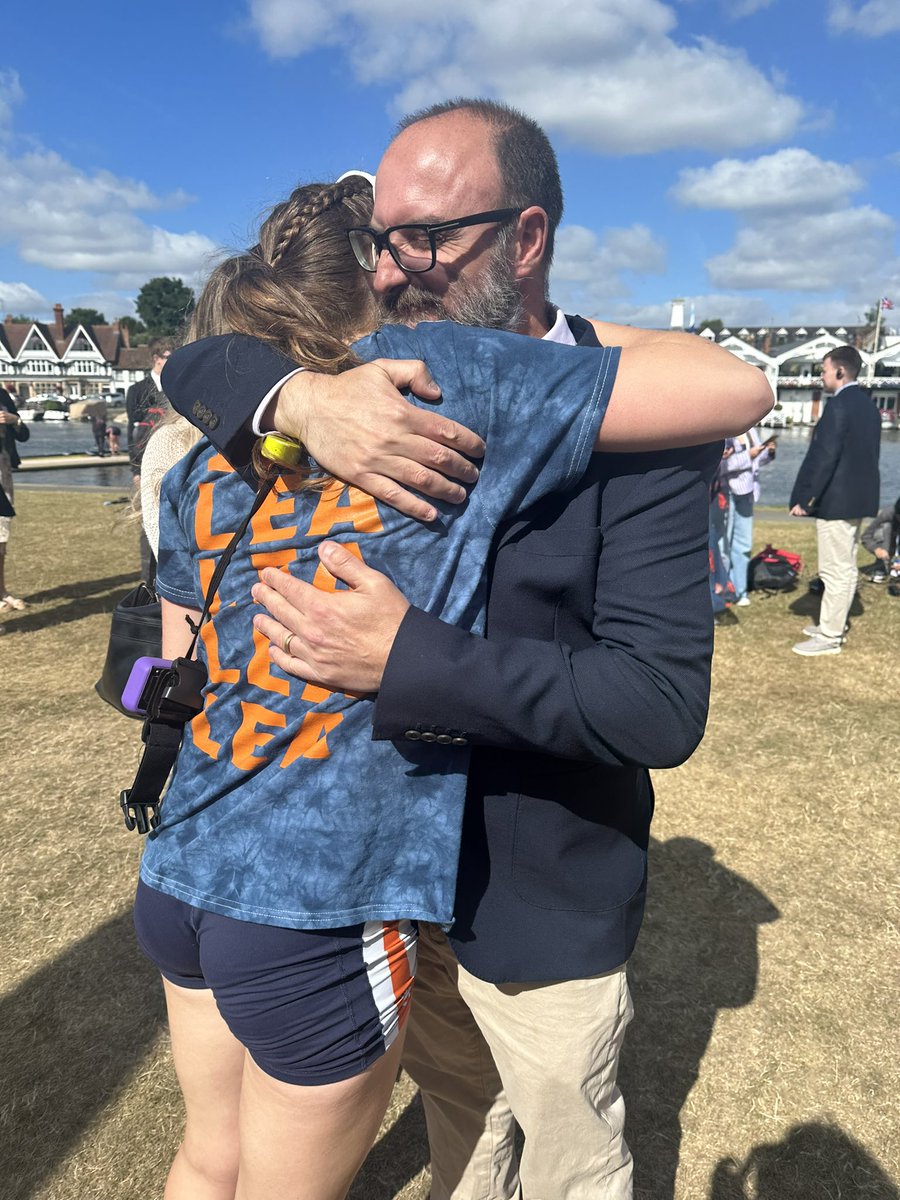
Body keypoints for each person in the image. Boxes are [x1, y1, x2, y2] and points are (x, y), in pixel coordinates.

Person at [162, 99, 773, 1199]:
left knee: (568, 1163)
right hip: (373, 889)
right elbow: (195, 361)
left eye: (429, 237)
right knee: (462, 1133)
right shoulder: (356, 392)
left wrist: (409, 659)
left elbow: (655, 705)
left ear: (527, 236)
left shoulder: (643, 425)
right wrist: (298, 395)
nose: (394, 268)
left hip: (530, 899)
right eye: (382, 239)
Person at [790, 345, 881, 657]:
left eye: (824, 370)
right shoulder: (868, 406)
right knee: (846, 565)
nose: (821, 376)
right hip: (858, 498)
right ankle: (832, 624)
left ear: (840, 371)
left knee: (834, 569)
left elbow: (824, 456)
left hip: (837, 501)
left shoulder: (839, 406)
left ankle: (830, 636)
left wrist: (805, 498)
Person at [126, 338, 174, 584]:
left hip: (172, 459)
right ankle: (148, 580)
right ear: (157, 359)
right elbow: (133, 431)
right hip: (145, 461)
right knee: (148, 520)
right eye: (168, 357)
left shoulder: (176, 385)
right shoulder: (137, 390)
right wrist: (135, 469)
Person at [721, 426, 776, 605]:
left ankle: (740, 589)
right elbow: (720, 466)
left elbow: (757, 461)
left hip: (747, 492)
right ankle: (723, 589)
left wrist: (768, 452)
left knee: (744, 543)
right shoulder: (723, 431)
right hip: (725, 491)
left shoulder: (750, 430)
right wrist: (748, 456)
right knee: (724, 544)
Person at [0, 385, 30, 610]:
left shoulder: (2, 395)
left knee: (1, 532)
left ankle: (1, 591)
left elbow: (23, 435)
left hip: (3, 470)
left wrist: (14, 420)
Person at [860, 495, 900, 583]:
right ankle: (884, 565)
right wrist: (876, 549)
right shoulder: (887, 514)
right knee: (885, 527)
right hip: (889, 543)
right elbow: (866, 537)